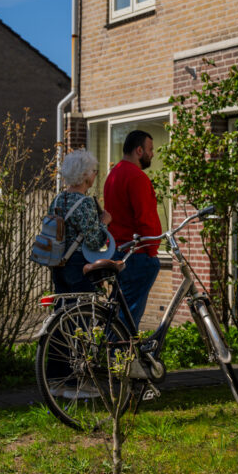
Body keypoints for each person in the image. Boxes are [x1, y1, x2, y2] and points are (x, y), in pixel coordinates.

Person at [104, 130, 162, 333]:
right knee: (128, 318)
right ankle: (120, 351)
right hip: (136, 255)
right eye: (150, 149)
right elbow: (145, 219)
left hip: (117, 251)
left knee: (118, 313)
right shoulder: (137, 177)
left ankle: (111, 347)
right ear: (139, 150)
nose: (152, 154)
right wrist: (152, 252)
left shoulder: (113, 175)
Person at [49, 149, 112, 294]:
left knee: (63, 305)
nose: (95, 174)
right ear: (84, 175)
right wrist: (104, 222)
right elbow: (94, 242)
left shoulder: (57, 199)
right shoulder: (85, 203)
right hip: (78, 264)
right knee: (82, 306)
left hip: (57, 262)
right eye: (94, 171)